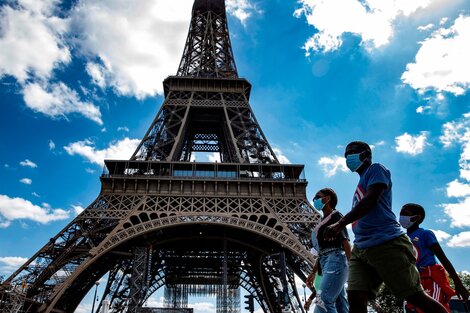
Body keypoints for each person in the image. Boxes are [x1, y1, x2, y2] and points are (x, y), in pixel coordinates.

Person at [324, 141, 448, 313]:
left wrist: (340, 223)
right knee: (355, 297)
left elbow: (371, 199)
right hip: (361, 248)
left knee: (414, 296)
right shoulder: (360, 182)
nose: (348, 156)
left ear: (366, 154)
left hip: (386, 243)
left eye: (352, 152)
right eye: (346, 154)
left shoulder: (376, 169)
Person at [400, 203, 469, 312]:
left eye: (405, 214)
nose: (401, 217)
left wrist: (458, 283)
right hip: (414, 282)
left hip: (430, 278)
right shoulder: (402, 239)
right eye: (400, 214)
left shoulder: (425, 234)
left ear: (417, 218)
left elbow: (443, 258)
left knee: (432, 308)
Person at [304, 188, 350, 312]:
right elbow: (321, 252)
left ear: (328, 198)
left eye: (318, 196)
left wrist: (352, 264)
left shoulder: (336, 215)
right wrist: (313, 272)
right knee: (341, 305)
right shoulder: (322, 221)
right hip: (326, 261)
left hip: (335, 259)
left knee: (323, 300)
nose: (314, 200)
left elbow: (345, 241)